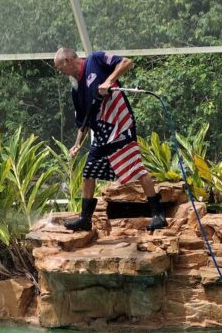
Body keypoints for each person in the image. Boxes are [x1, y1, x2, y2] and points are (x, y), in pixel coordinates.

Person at [53, 47, 167, 232]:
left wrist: (108, 81)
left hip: (119, 126)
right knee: (89, 172)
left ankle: (158, 215)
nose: (61, 72)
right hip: (100, 134)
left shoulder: (95, 60)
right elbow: (84, 122)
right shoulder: (76, 89)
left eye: (60, 68)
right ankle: (85, 218)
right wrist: (76, 145)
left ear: (68, 61)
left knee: (137, 168)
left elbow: (126, 62)